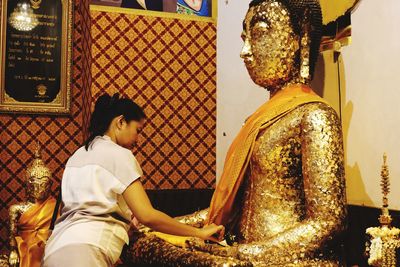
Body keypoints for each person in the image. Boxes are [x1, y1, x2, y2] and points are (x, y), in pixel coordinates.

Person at [128, 0, 347, 266]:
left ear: (299, 40)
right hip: (241, 252)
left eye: (260, 34)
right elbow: (224, 213)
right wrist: (166, 226)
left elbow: (327, 222)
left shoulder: (314, 115)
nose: (245, 52)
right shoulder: (259, 121)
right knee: (142, 242)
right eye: (245, 38)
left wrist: (245, 254)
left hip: (286, 260)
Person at [41, 93, 224, 266]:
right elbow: (147, 215)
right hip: (87, 250)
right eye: (138, 130)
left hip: (55, 249)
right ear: (121, 122)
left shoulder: (77, 155)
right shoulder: (119, 154)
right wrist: (199, 232)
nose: (138, 139)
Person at [8, 146, 56, 267]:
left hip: (50, 246)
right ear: (28, 185)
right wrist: (13, 251)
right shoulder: (17, 209)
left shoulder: (55, 206)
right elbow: (12, 233)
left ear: (50, 185)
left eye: (44, 184)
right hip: (25, 247)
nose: (39, 189)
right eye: (35, 184)